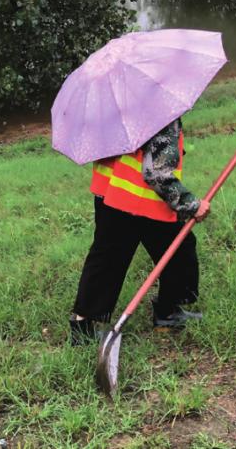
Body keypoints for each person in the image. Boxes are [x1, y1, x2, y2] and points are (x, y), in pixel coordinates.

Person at [70, 117, 211, 345]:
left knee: (111, 258)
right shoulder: (162, 114)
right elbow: (156, 173)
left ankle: (83, 325)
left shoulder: (119, 103)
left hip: (111, 192)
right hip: (140, 198)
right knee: (172, 251)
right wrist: (191, 204)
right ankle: (165, 313)